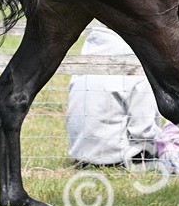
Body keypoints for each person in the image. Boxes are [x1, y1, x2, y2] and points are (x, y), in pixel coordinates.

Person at [66, 26, 160, 168]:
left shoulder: (86, 60)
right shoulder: (135, 68)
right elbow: (143, 132)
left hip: (81, 154)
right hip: (118, 158)